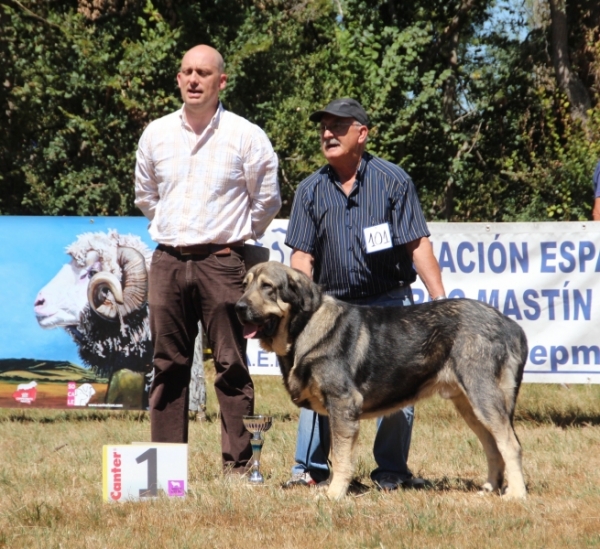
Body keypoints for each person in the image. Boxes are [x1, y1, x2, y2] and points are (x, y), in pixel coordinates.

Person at [283, 98, 446, 491]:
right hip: (332, 308)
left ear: (362, 133)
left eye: (338, 126)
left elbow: (417, 244)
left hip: (390, 305)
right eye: (324, 127)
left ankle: (390, 472)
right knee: (315, 384)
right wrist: (303, 312)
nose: (327, 133)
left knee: (400, 387)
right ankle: (310, 471)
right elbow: (302, 256)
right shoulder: (310, 190)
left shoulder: (393, 180)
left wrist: (440, 303)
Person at [134, 45, 281, 474]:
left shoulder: (246, 135)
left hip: (223, 262)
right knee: (167, 365)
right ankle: (164, 470)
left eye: (203, 73)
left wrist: (232, 242)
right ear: (178, 79)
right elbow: (147, 197)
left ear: (222, 81)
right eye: (187, 72)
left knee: (232, 364)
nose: (194, 80)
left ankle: (239, 467)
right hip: (166, 262)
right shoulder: (156, 134)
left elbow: (267, 200)